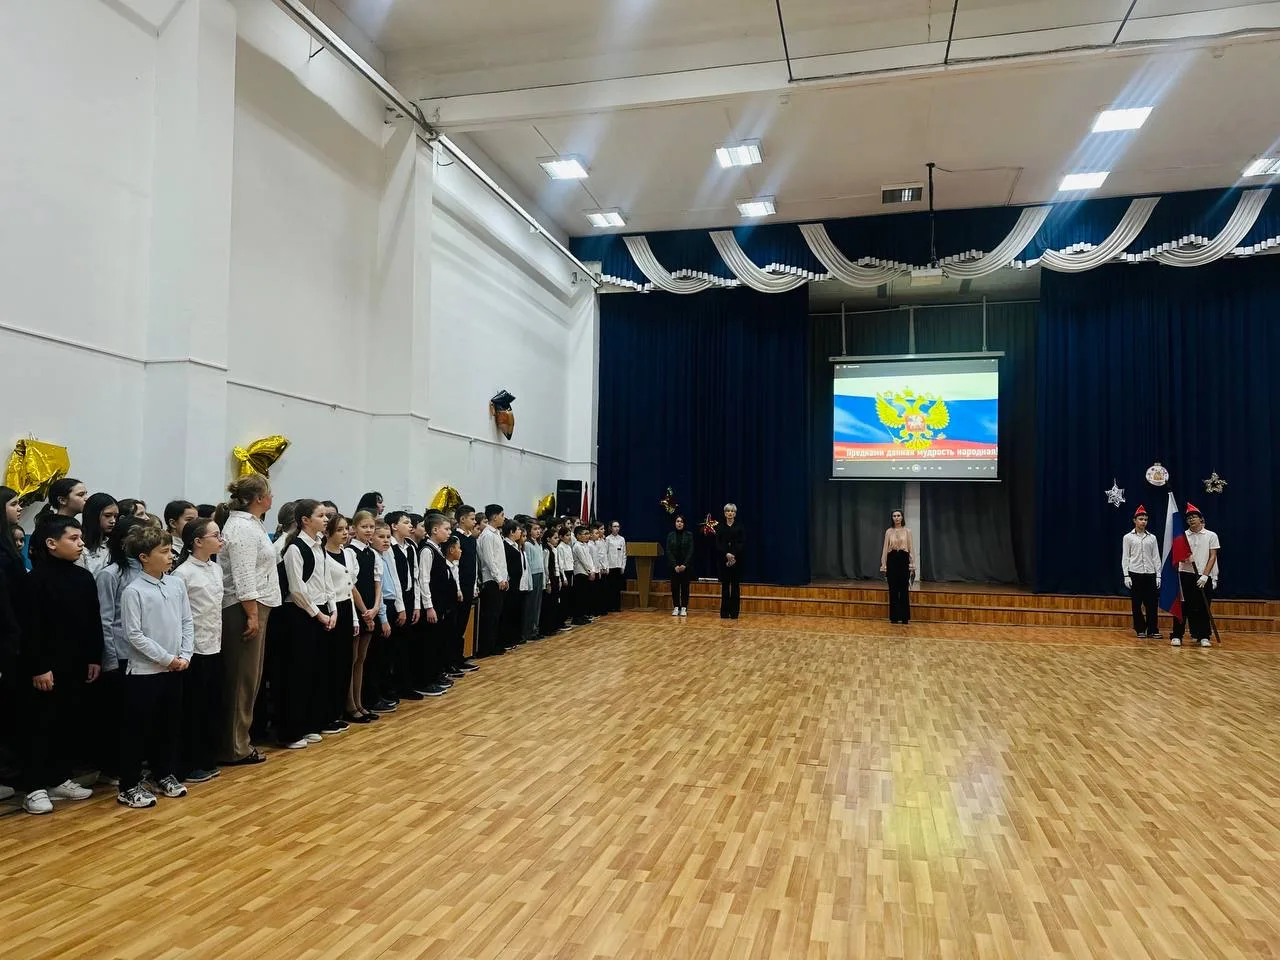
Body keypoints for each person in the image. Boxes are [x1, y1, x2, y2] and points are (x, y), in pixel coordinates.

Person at [20, 516, 102, 815]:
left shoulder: (83, 578)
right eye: (73, 538)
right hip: (46, 667)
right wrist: (39, 666)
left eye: (81, 538)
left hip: (76, 663)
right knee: (41, 725)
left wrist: (94, 657)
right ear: (51, 544)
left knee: (67, 723)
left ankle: (58, 779)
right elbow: (30, 629)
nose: (81, 544)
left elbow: (93, 621)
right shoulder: (34, 581)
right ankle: (34, 787)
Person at [118, 524, 193, 808]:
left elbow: (187, 620)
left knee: (168, 726)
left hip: (175, 668)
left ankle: (164, 774)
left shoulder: (175, 584)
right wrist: (166, 658)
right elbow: (134, 635)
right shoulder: (133, 591)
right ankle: (128, 785)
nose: (171, 555)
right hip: (145, 672)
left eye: (171, 550)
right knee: (137, 730)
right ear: (144, 557)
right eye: (164, 551)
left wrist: (185, 655)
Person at [215, 473, 277, 767]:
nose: (272, 498)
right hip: (243, 608)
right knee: (241, 678)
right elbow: (243, 575)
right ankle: (234, 746)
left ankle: (240, 740)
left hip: (255, 605)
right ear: (259, 498)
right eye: (269, 493)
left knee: (251, 678)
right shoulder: (241, 527)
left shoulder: (252, 524)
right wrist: (252, 614)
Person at [276, 500, 334, 749]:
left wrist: (332, 609)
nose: (326, 519)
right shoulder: (295, 548)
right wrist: (318, 615)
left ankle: (309, 723)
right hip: (299, 616)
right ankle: (291, 731)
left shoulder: (319, 545)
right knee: (296, 673)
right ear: (305, 520)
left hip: (321, 612)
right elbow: (297, 590)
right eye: (320, 515)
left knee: (315, 671)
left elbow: (326, 581)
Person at [171, 518, 225, 783]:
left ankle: (207, 756)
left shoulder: (216, 568)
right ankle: (189, 763)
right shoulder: (182, 573)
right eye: (216, 535)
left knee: (211, 705)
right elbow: (181, 616)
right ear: (198, 541)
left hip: (215, 645)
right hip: (193, 650)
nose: (221, 539)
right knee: (193, 708)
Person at [320, 513, 359, 733]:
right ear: (328, 533)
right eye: (339, 530)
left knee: (345, 663)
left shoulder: (348, 554)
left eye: (346, 529)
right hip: (332, 610)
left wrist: (354, 617)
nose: (345, 533)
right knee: (331, 664)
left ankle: (338, 711)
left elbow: (350, 588)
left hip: (346, 608)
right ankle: (327, 714)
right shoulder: (323, 555)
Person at [345, 510, 382, 723]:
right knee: (352, 659)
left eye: (371, 527)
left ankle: (359, 702)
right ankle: (350, 704)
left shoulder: (372, 553)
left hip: (370, 608)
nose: (368, 530)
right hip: (357, 609)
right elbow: (352, 585)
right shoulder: (350, 552)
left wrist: (375, 607)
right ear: (355, 528)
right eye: (364, 527)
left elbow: (377, 582)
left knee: (361, 659)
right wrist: (364, 611)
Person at [386, 511, 423, 700]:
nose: (410, 526)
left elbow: (415, 577)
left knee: (407, 644)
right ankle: (392, 687)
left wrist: (416, 605)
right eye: (406, 522)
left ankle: (406, 685)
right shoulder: (389, 548)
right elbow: (393, 580)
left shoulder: (410, 547)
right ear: (394, 526)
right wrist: (400, 607)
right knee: (393, 646)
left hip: (409, 598)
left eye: (411, 523)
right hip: (394, 601)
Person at [1171, 503, 1220, 648]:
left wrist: (1206, 575)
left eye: (1194, 517)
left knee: (1203, 606)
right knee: (1183, 606)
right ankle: (1177, 635)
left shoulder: (1211, 535)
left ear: (1201, 519)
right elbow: (1176, 555)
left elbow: (1212, 556)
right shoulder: (1182, 536)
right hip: (1185, 574)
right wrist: (1184, 558)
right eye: (1189, 518)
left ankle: (1203, 636)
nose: (1191, 519)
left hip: (1203, 576)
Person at [417, 514, 455, 694]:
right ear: (434, 530)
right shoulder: (427, 550)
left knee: (437, 642)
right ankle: (425, 680)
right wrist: (429, 607)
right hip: (431, 605)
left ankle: (435, 675)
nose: (449, 532)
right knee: (428, 644)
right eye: (446, 529)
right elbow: (424, 580)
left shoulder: (437, 548)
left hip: (440, 604)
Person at [369, 518, 401, 712]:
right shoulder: (373, 557)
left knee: (386, 655)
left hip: (390, 604)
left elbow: (393, 581)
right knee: (377, 656)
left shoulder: (386, 555)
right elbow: (378, 591)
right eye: (381, 537)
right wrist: (383, 618)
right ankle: (374, 696)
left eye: (388, 537)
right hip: (380, 608)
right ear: (371, 538)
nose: (386, 540)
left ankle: (384, 691)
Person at [1121, 505, 1161, 639]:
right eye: (1141, 519)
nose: (1143, 522)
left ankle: (1153, 629)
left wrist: (1158, 575)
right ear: (1135, 520)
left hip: (1150, 573)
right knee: (1137, 603)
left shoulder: (1152, 538)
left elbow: (1156, 557)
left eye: (1145, 519)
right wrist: (1126, 575)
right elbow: (1126, 557)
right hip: (1135, 572)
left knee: (1152, 604)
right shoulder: (1128, 537)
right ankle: (1140, 629)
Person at [476, 505, 508, 657]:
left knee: (496, 615)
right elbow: (489, 560)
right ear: (494, 517)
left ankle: (493, 644)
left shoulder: (496, 533)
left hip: (499, 579)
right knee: (490, 615)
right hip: (491, 580)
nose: (503, 518)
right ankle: (485, 648)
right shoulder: (488, 535)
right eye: (502, 515)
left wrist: (504, 578)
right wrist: (499, 578)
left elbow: (500, 560)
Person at [451, 506, 480, 672]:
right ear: (462, 519)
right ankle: (453, 660)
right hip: (459, 588)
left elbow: (473, 565)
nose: (474, 522)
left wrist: (474, 585)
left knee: (463, 624)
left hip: (469, 586)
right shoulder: (456, 538)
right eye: (472, 518)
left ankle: (460, 658)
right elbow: (454, 566)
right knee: (456, 625)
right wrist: (458, 588)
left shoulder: (471, 539)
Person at [880, 509, 915, 625]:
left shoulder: (907, 531)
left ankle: (904, 617)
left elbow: (911, 548)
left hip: (903, 559)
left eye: (898, 515)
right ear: (892, 518)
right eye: (894, 516)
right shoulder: (888, 532)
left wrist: (912, 564)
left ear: (902, 517)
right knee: (893, 589)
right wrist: (884, 564)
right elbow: (885, 548)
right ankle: (894, 617)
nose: (896, 518)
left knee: (904, 589)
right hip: (892, 559)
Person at [714, 503, 745, 620]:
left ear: (735, 513)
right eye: (728, 511)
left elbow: (742, 543)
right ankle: (724, 613)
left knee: (735, 587)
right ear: (725, 513)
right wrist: (726, 554)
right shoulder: (720, 527)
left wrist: (733, 554)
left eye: (732, 511)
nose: (730, 513)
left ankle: (734, 613)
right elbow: (718, 543)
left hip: (737, 560)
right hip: (724, 560)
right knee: (725, 587)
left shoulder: (740, 527)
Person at [500, 520, 528, 651]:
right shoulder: (505, 545)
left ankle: (513, 637)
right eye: (518, 530)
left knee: (515, 611)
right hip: (510, 583)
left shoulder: (516, 545)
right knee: (508, 611)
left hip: (518, 583)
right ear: (511, 532)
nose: (520, 532)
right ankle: (506, 639)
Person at [78, 493, 119, 575]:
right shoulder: (80, 546)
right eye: (107, 515)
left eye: (115, 516)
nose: (113, 521)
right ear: (93, 515)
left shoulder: (113, 543)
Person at [666, 515, 694, 617]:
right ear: (675, 523)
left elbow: (691, 550)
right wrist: (675, 565)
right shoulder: (670, 535)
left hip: (685, 566)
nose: (679, 523)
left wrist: (684, 565)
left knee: (685, 587)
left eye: (681, 521)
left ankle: (684, 607)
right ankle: (676, 607)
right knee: (675, 587)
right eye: (677, 521)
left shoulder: (689, 535)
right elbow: (668, 550)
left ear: (684, 524)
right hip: (674, 567)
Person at [522, 521, 545, 641]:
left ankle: (535, 629)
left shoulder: (538, 543)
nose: (538, 531)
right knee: (531, 605)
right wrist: (530, 581)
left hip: (540, 574)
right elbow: (529, 564)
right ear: (529, 531)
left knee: (537, 605)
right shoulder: (528, 544)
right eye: (535, 529)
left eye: (539, 529)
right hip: (533, 576)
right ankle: (529, 631)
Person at [571, 525, 597, 626]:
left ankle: (582, 615)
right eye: (585, 534)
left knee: (585, 596)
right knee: (579, 597)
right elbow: (583, 560)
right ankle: (577, 617)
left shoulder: (585, 545)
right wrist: (590, 571)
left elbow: (590, 559)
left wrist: (592, 570)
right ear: (578, 536)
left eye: (588, 534)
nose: (587, 536)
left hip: (587, 573)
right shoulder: (577, 546)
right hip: (580, 573)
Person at [164, 500, 198, 567]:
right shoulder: (166, 549)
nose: (195, 524)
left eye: (197, 520)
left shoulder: (196, 545)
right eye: (189, 520)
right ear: (173, 523)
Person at [604, 521, 627, 614]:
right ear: (610, 528)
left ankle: (617, 606)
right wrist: (606, 566)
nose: (616, 528)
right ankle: (610, 606)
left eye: (618, 526)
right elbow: (605, 553)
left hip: (618, 566)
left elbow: (624, 554)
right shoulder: (607, 539)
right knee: (610, 588)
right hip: (610, 567)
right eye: (614, 526)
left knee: (617, 588)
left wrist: (623, 566)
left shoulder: (622, 539)